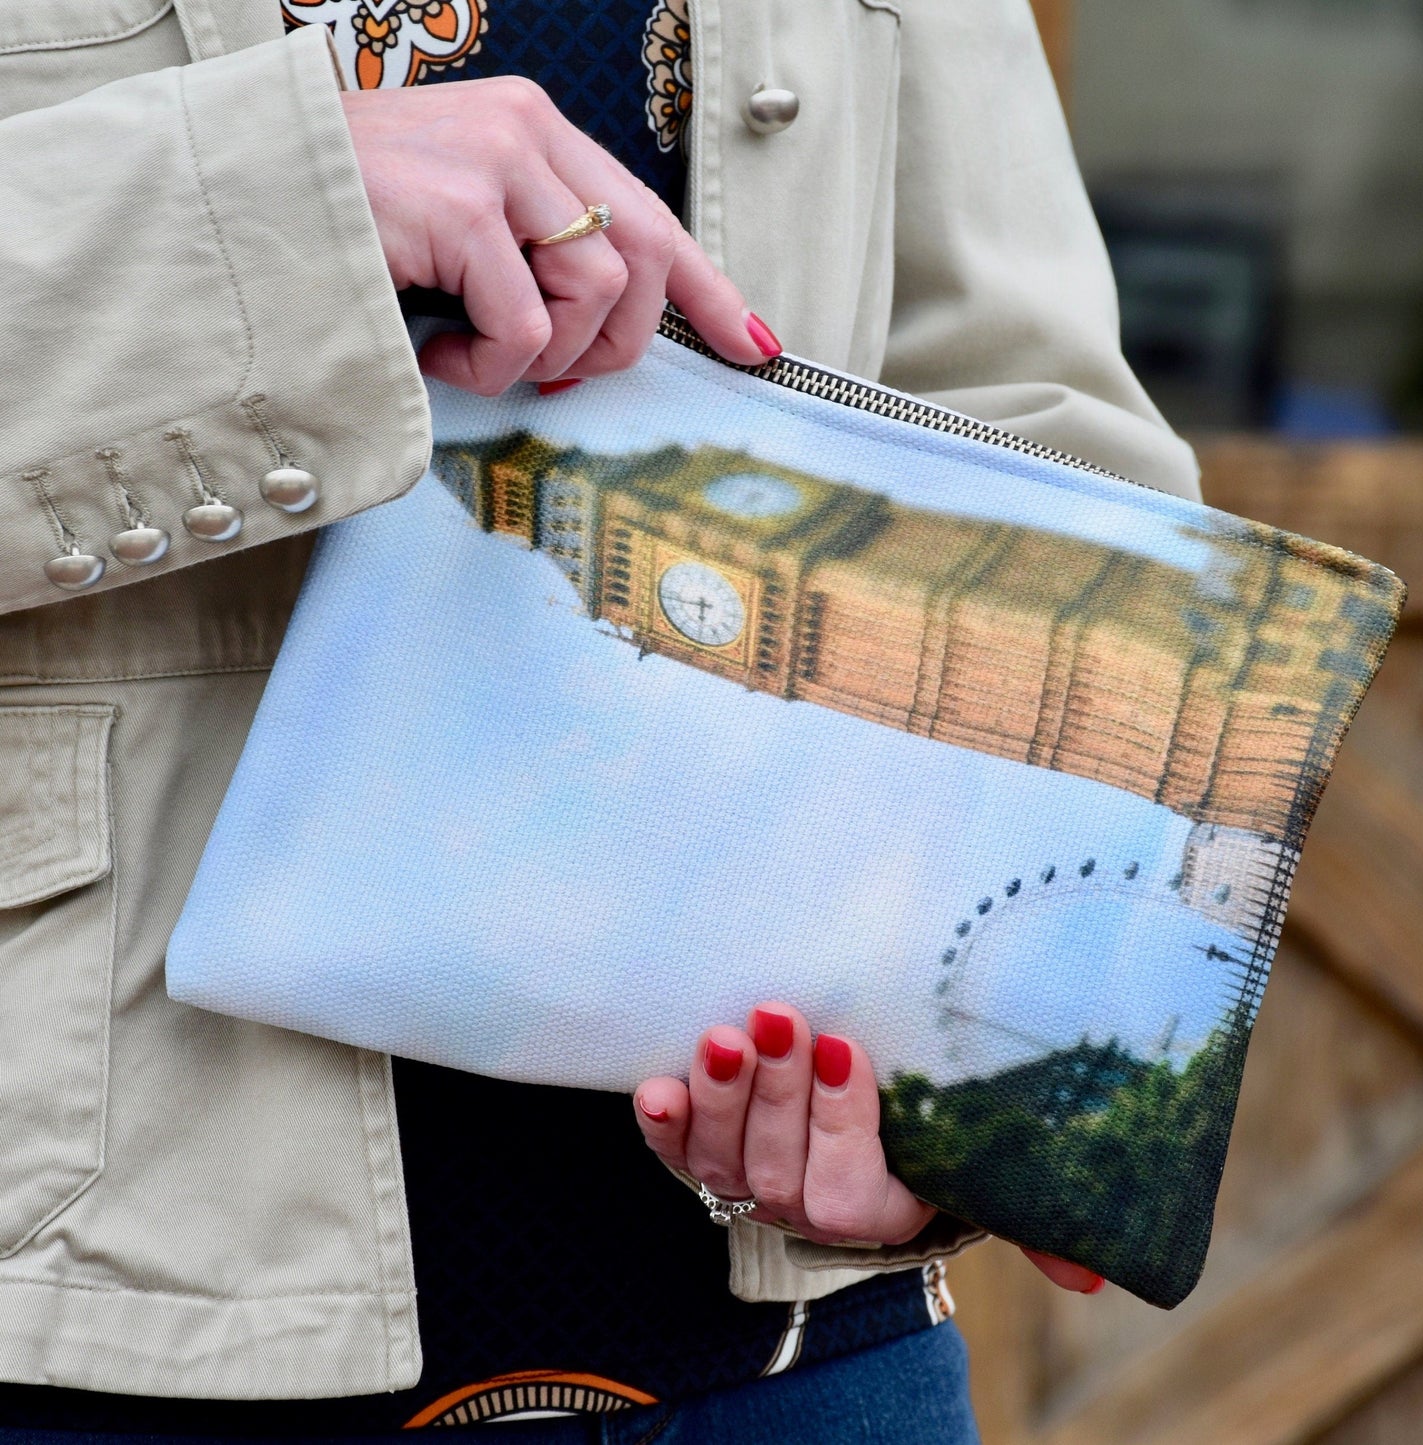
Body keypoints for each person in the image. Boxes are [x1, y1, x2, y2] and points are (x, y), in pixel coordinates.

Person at [0, 0, 1201, 1437]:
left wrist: (951, 1107)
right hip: (95, 1345)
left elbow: (1049, 454)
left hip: (799, 1367)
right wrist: (272, 213)